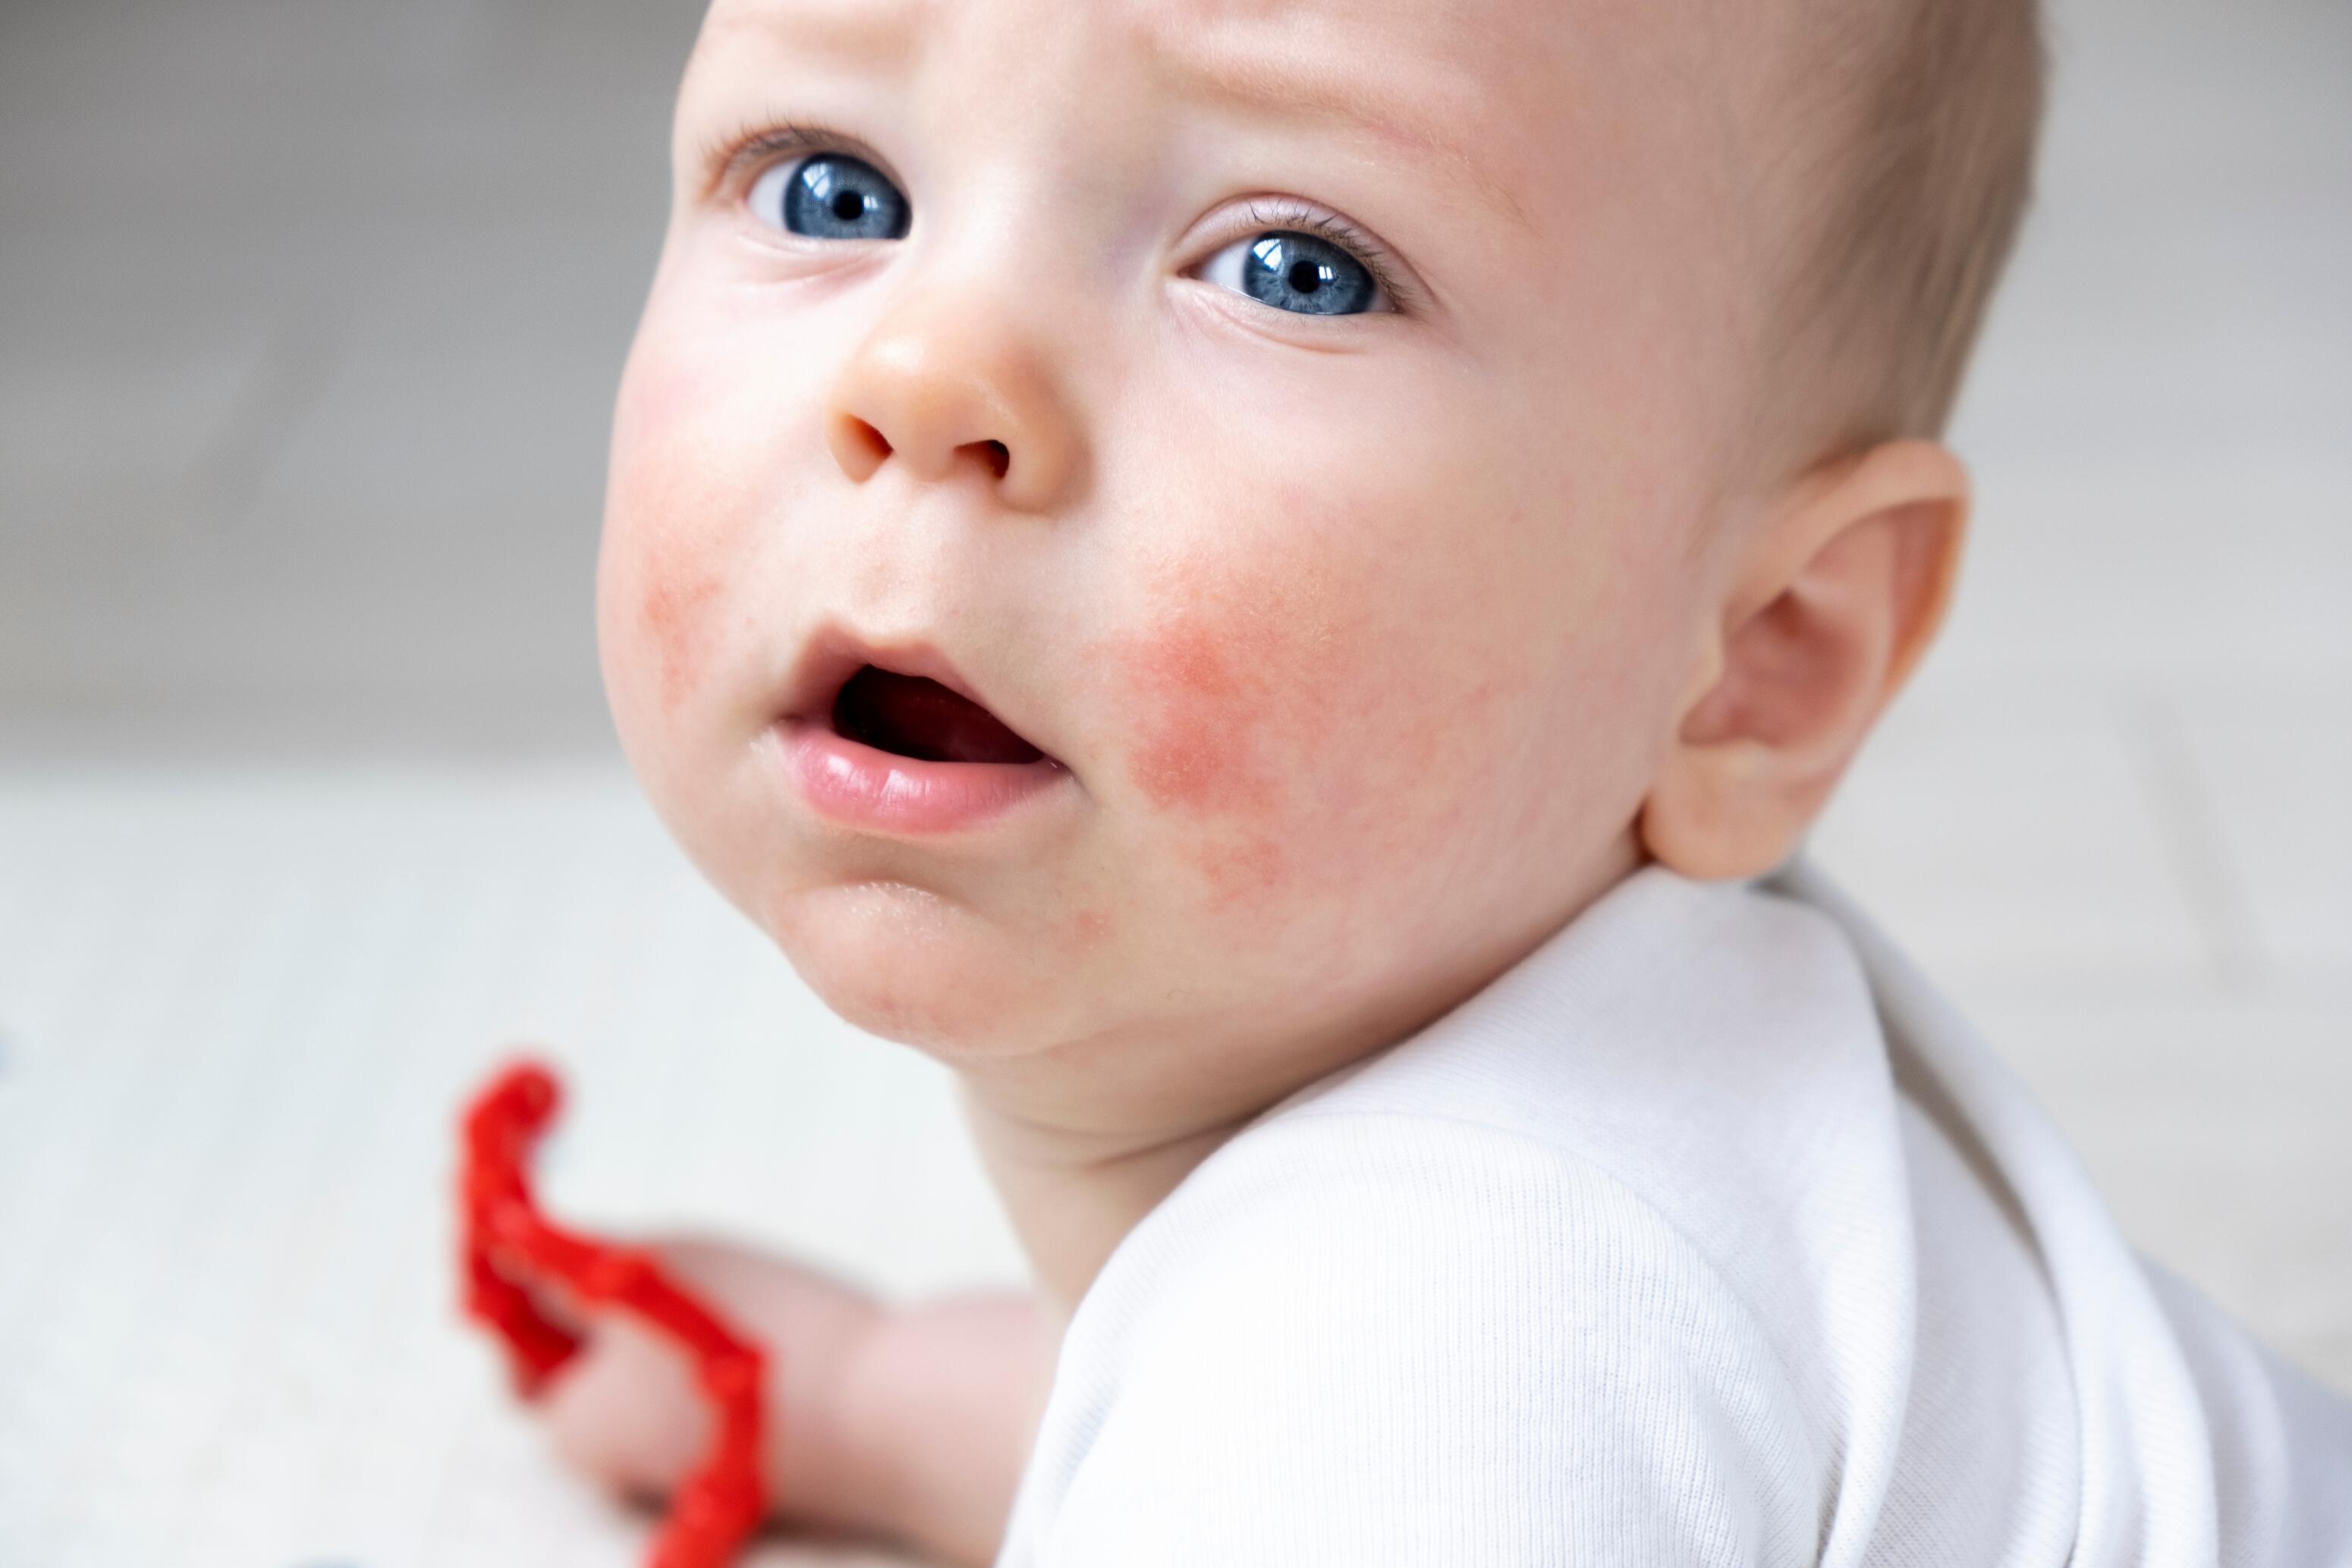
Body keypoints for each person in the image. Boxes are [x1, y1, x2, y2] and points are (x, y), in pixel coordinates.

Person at [526, 0, 2352, 1560]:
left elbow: (1390, 1415)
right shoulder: (1516, 1203)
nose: (927, 373)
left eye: (1292, 269)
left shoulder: (1468, 1304)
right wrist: (870, 1388)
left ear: (1760, 649)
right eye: (833, 188)